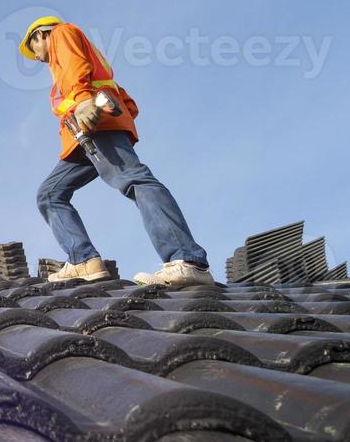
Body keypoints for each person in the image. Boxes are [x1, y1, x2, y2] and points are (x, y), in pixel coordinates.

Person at [20, 16, 213, 287]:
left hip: (94, 124)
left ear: (40, 35)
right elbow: (124, 99)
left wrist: (86, 100)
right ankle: (83, 261)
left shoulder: (61, 34)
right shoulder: (68, 66)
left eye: (33, 48)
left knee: (134, 179)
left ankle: (188, 260)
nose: (37, 56)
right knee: (50, 194)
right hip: (82, 137)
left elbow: (78, 68)